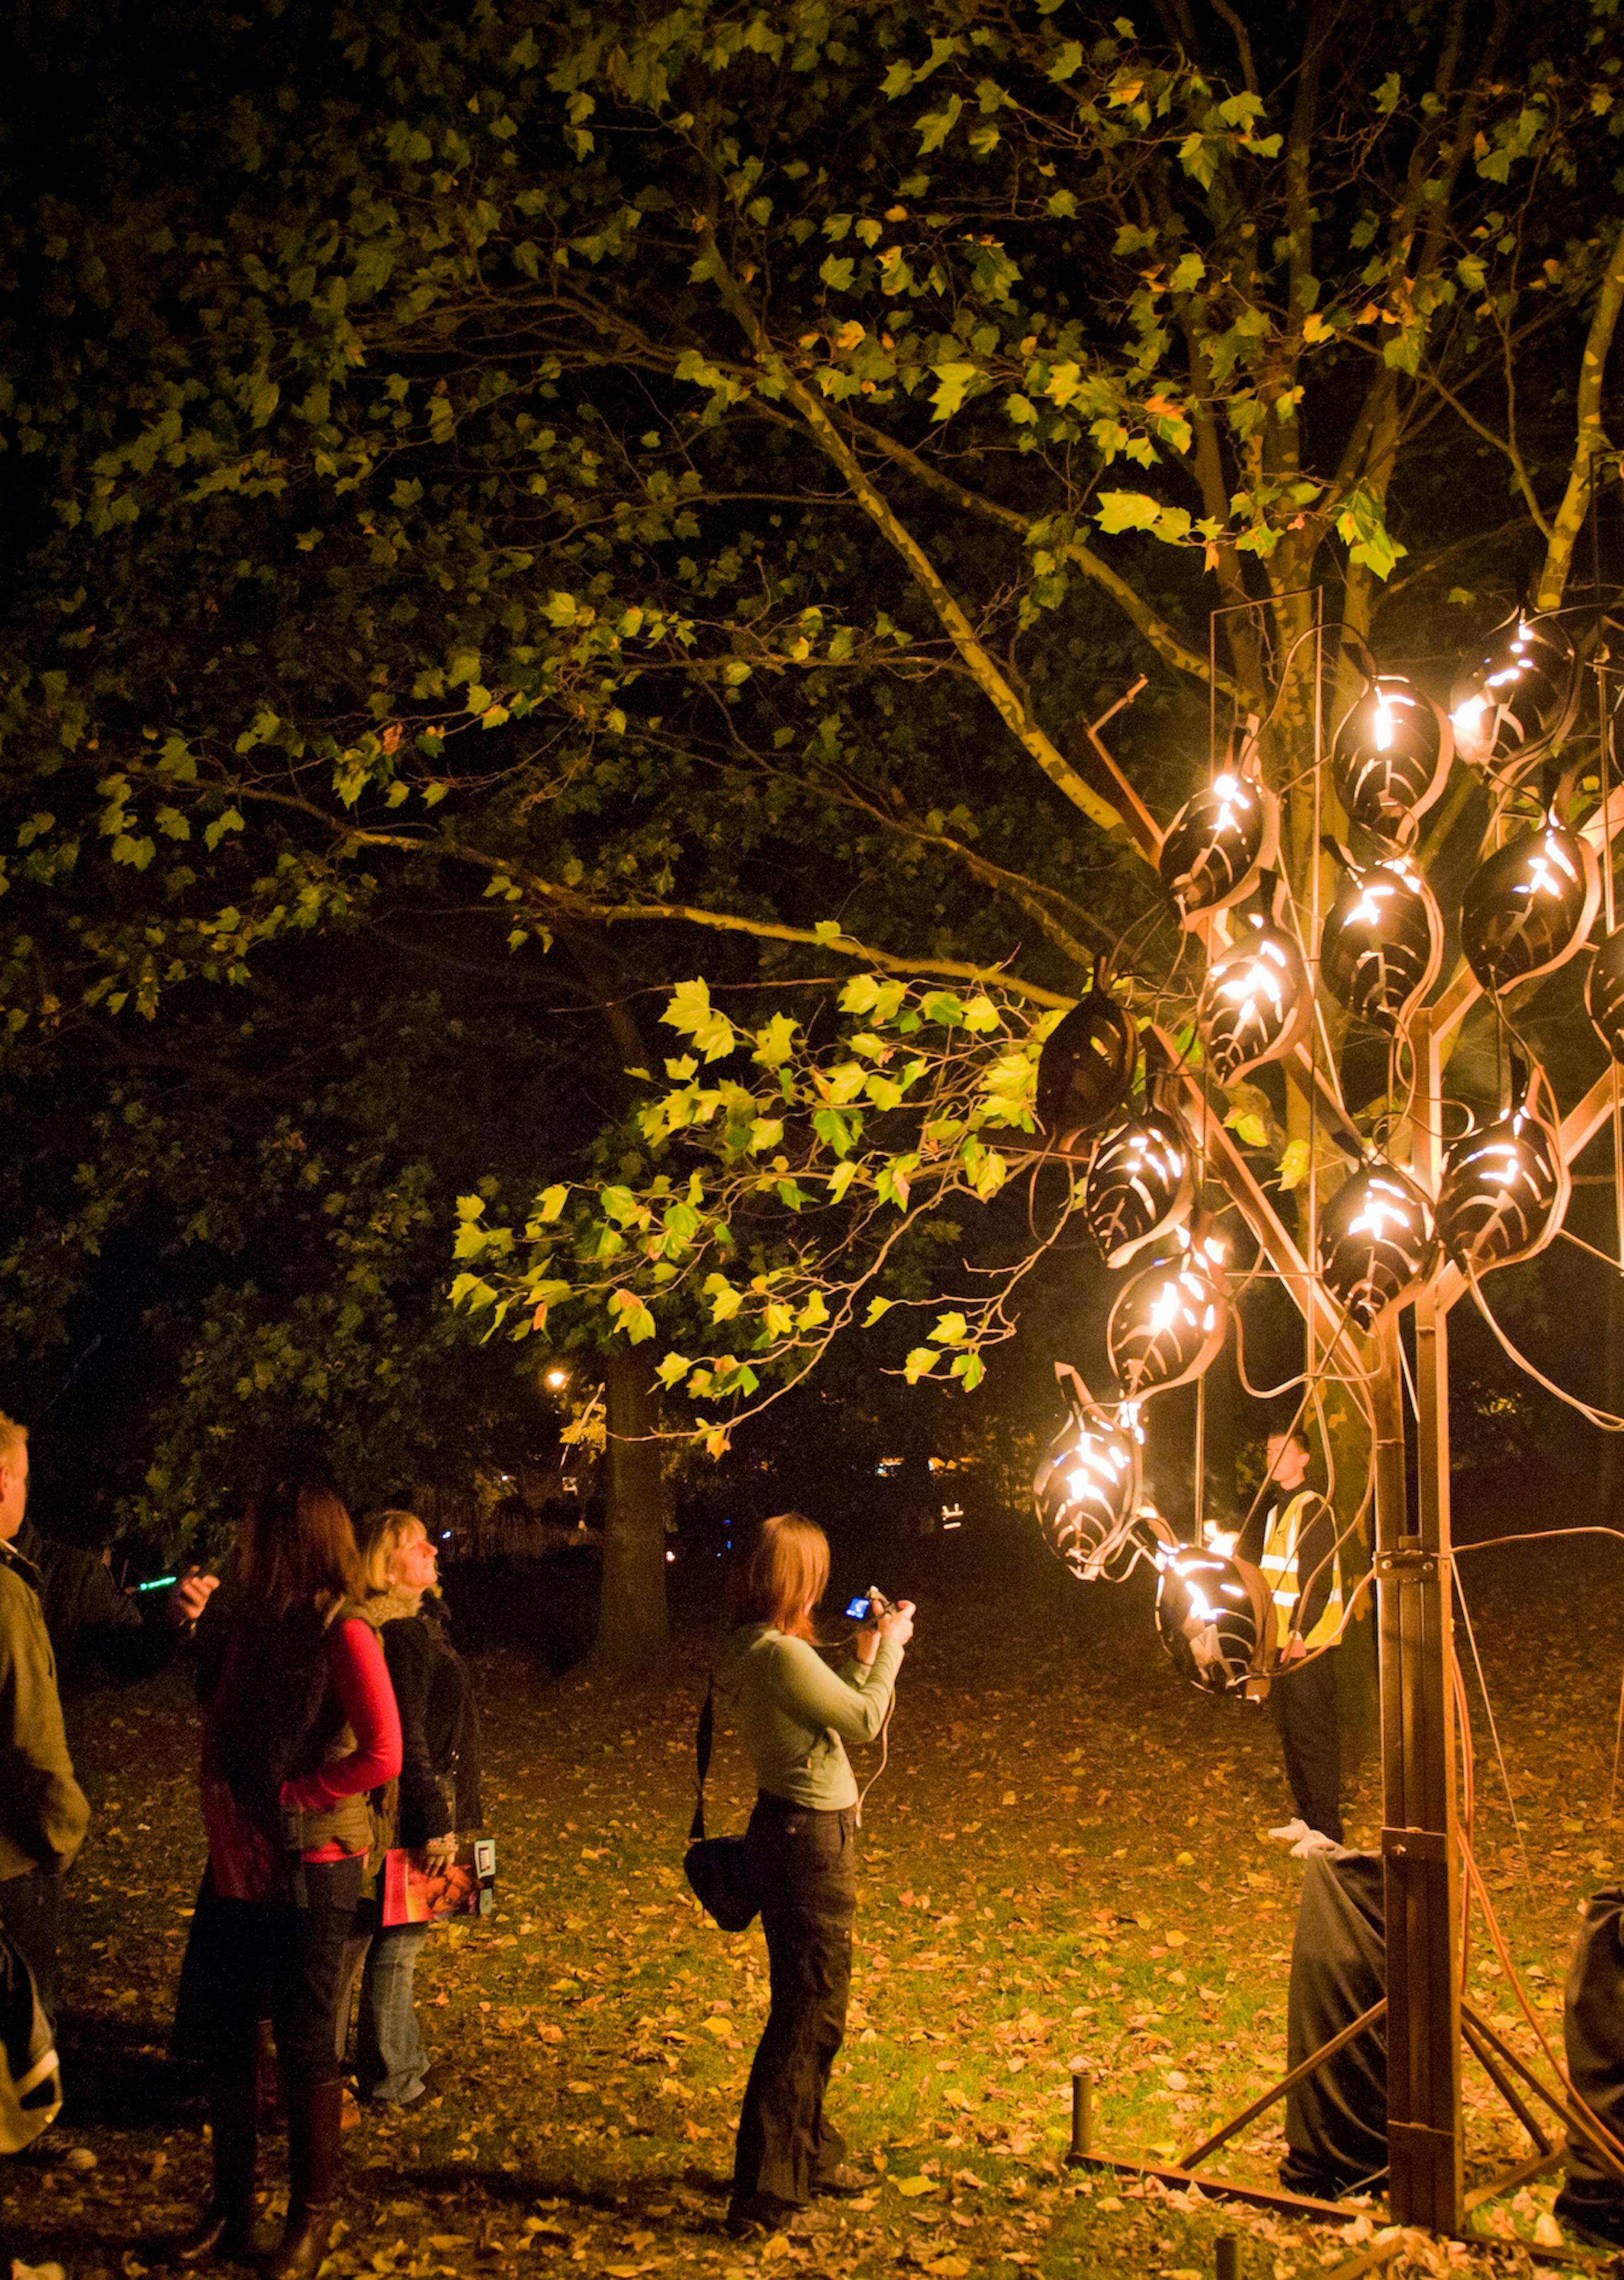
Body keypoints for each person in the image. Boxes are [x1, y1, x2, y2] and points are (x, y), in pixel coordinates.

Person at [165, 1476, 401, 2278]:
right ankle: (232, 2209)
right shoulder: (258, 1625)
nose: (242, 1546)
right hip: (242, 1851)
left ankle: (312, 2220)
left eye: (255, 1533)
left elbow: (383, 1752)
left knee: (304, 2041)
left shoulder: (343, 1630)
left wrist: (300, 1794)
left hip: (316, 1861)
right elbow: (224, 1716)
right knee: (227, 2033)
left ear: (288, 1541)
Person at [713, 1514, 913, 2240]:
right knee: (809, 2012)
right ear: (795, 1577)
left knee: (807, 2002)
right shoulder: (778, 1656)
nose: (826, 1585)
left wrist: (863, 1654)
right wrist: (889, 1651)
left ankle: (809, 2150)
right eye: (816, 1571)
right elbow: (861, 1722)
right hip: (809, 1844)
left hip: (784, 1828)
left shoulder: (754, 1648)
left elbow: (830, 1713)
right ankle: (763, 2192)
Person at [335, 1509, 482, 2107]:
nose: (431, 1549)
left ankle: (401, 2058)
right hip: (413, 1803)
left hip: (426, 1794)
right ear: (383, 1566)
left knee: (390, 1936)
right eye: (411, 1544)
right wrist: (436, 1818)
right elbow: (408, 1735)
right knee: (399, 1941)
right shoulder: (399, 1635)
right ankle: (391, 2076)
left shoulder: (420, 1625)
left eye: (428, 1539)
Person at [0, 1410, 90, 2031]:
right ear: (2, 1479)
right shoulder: (6, 1595)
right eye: (26, 1479)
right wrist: (62, 1838)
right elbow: (33, 1740)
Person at [1239, 1425, 1344, 1857]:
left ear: (1304, 1459)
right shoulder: (1274, 1512)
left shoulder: (1313, 1507)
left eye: (1283, 1450)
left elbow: (1315, 1578)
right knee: (1289, 1730)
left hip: (1309, 1642)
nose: (1273, 1457)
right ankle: (1306, 1817)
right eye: (1269, 1450)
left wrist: (1301, 1632)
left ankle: (1328, 1828)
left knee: (1312, 1732)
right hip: (1280, 1642)